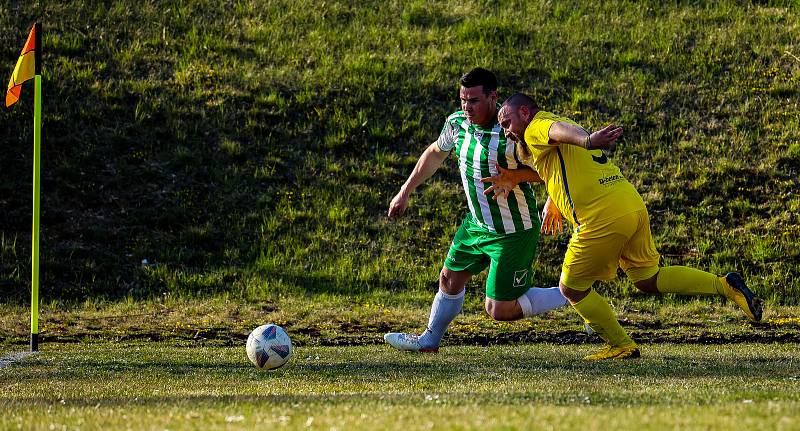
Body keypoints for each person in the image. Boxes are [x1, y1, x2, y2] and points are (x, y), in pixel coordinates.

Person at [487, 93, 764, 361]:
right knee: (648, 278)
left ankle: (621, 345)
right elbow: (555, 165)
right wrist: (531, 185)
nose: (506, 130)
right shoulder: (548, 131)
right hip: (629, 204)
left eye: (507, 121)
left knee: (571, 288)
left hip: (601, 216)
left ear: (525, 113)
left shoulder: (537, 125)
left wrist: (589, 139)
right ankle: (725, 286)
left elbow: (558, 131)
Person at [383, 68, 569, 353]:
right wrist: (405, 191)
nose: (466, 107)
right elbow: (435, 153)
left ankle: (574, 295)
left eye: (474, 101)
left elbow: (551, 166)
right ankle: (428, 341)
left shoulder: (511, 130)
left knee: (499, 310)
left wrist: (552, 199)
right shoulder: (457, 124)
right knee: (449, 278)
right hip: (477, 224)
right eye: (462, 100)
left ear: (493, 97)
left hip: (513, 230)